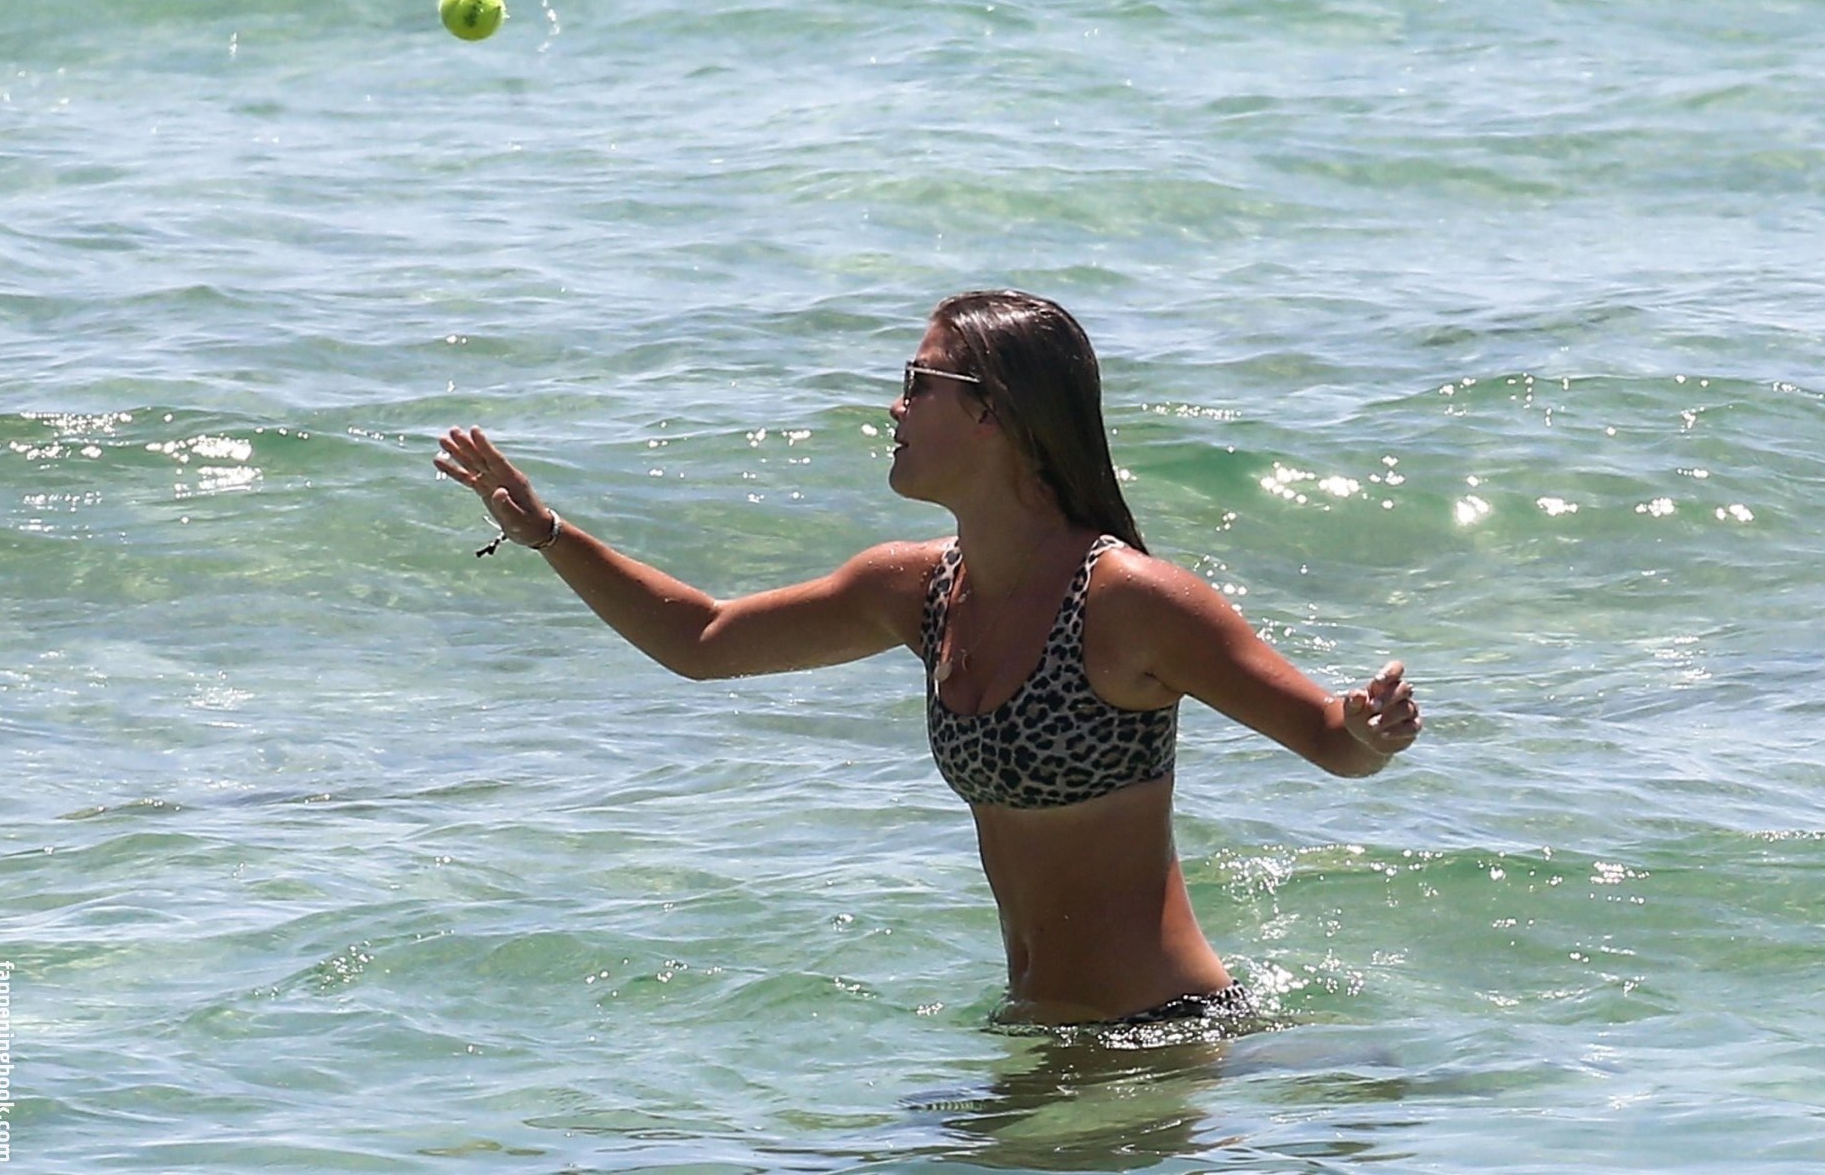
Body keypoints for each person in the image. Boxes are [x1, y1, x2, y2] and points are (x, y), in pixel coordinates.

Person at [435, 289, 1422, 1029]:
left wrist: (1366, 728)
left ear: (992, 411)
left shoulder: (1129, 602)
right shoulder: (915, 589)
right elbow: (701, 640)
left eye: (918, 385)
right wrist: (548, 533)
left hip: (1157, 1036)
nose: (894, 409)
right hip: (1038, 1037)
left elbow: (1329, 741)